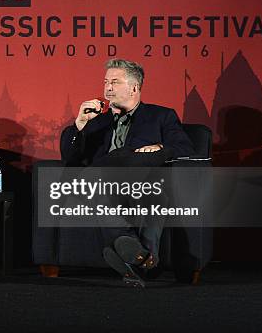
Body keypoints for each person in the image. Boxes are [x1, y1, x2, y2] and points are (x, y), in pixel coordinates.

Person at [60, 58, 195, 287]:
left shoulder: (161, 116)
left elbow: (186, 149)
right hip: (101, 182)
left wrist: (161, 148)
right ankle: (145, 259)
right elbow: (70, 158)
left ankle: (136, 257)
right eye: (105, 82)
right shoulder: (95, 122)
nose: (107, 88)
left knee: (156, 196)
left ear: (134, 87)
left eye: (114, 82)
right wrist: (80, 124)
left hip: (139, 182)